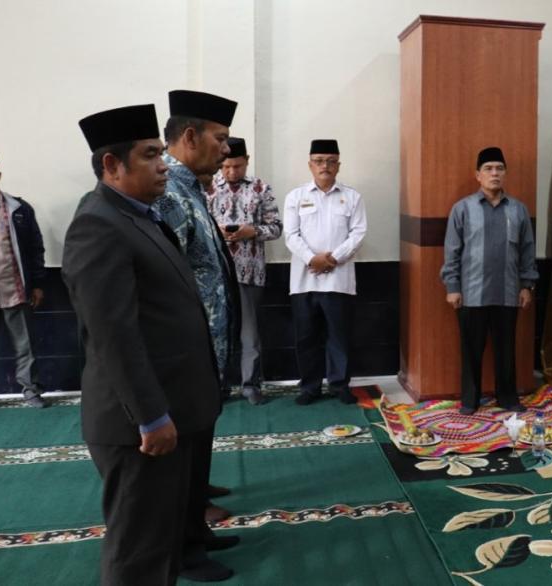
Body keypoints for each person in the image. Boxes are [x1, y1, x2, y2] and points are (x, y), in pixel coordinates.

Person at [64, 104, 222, 585]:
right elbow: (113, 335)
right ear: (112, 165)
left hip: (169, 407)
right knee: (139, 554)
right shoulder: (98, 225)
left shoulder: (137, 215)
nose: (163, 166)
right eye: (151, 155)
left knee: (159, 546)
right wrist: (150, 416)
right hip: (138, 427)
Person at [155, 89, 240, 581]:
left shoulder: (190, 187)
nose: (226, 149)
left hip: (205, 351)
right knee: (181, 458)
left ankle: (197, 533)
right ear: (190, 136)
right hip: (187, 354)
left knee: (198, 448)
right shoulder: (169, 192)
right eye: (220, 138)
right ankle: (183, 551)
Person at [441, 147, 538, 415]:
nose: (494, 173)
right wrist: (453, 287)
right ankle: (470, 400)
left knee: (506, 349)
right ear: (478, 175)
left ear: (505, 173)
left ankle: (507, 397)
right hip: (471, 293)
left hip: (508, 292)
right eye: (488, 169)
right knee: (471, 349)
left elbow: (527, 251)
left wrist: (526, 285)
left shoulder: (518, 210)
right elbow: (452, 251)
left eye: (499, 168)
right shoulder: (463, 209)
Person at [283, 139, 367, 405]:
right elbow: (291, 235)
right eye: (319, 161)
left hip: (339, 280)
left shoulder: (352, 197)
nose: (325, 166)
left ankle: (339, 385)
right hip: (303, 281)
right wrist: (312, 259)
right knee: (306, 337)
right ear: (310, 165)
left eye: (331, 161)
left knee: (339, 336)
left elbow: (358, 233)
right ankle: (310, 387)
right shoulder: (296, 197)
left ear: (338, 165)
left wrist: (331, 259)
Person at [207, 137, 282, 406]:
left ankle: (250, 386)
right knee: (218, 332)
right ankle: (220, 386)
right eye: (226, 167)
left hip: (250, 272)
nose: (231, 172)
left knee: (250, 334)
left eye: (237, 166)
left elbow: (276, 228)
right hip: (217, 274)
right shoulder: (208, 188)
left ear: (247, 161)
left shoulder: (261, 188)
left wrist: (253, 231)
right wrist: (217, 233)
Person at [0, 148, 47, 408]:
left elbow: (35, 248)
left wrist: (38, 284)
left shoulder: (19, 209)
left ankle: (31, 391)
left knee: (25, 346)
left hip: (15, 288)